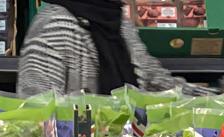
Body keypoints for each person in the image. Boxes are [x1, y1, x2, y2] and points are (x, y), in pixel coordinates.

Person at [19, 0, 220, 97]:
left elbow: (159, 83)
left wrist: (215, 98)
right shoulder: (53, 26)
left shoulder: (120, 26)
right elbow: (36, 110)